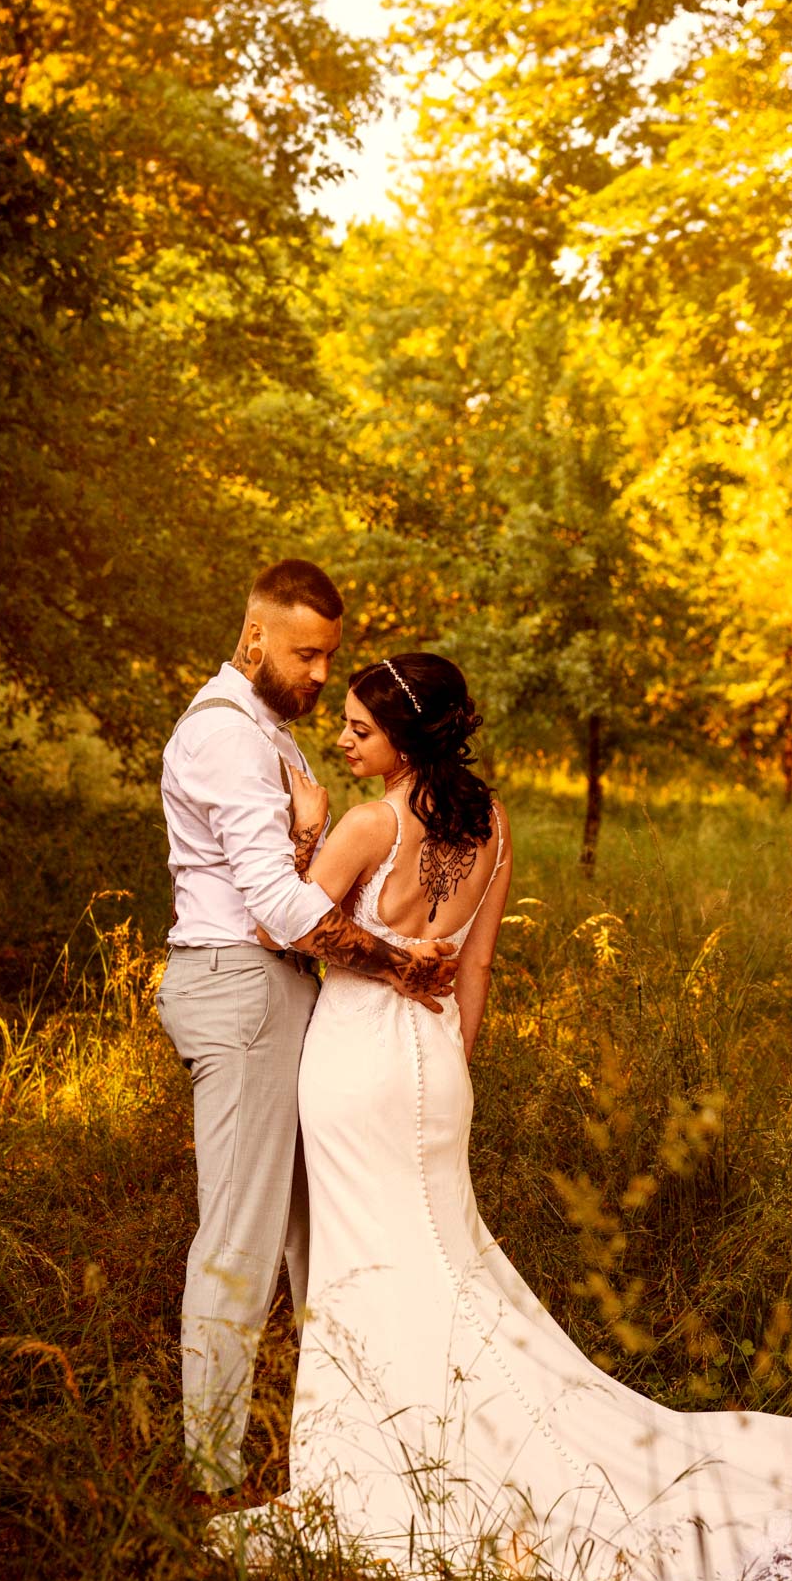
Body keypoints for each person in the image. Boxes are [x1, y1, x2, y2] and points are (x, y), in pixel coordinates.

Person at [209, 651, 792, 1581]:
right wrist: (454, 1065)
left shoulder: (363, 823)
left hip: (354, 1057)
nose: (342, 739)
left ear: (405, 738)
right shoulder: (491, 823)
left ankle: (392, 1455)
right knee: (439, 1249)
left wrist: (304, 827)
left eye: (359, 728)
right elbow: (475, 970)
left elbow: (283, 924)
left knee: (372, 1255)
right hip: (433, 1059)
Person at [156, 563, 457, 1495]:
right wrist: (401, 962)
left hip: (278, 992)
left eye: (330, 654)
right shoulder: (226, 738)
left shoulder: (268, 732)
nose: (325, 672)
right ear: (255, 639)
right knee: (240, 1240)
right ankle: (212, 1477)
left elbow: (285, 881)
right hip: (241, 990)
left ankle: (324, 1449)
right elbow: (281, 910)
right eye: (307, 653)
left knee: (306, 1233)